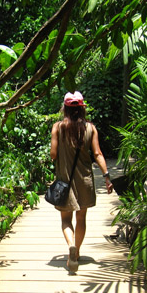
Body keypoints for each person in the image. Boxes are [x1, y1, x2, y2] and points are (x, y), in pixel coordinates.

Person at [50, 91, 113, 272]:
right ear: (82, 108)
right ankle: (76, 252)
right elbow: (98, 154)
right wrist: (107, 177)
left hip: (65, 181)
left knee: (66, 220)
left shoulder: (57, 127)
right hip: (85, 180)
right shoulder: (91, 128)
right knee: (81, 217)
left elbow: (53, 155)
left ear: (65, 108)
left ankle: (71, 245)